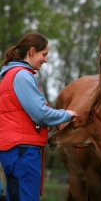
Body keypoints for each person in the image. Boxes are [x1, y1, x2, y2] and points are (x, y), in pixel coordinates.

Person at [0, 32, 78, 201]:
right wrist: (67, 115)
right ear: (32, 51)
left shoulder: (9, 75)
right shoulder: (21, 76)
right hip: (23, 151)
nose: (46, 60)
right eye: (44, 54)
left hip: (14, 150)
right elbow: (40, 114)